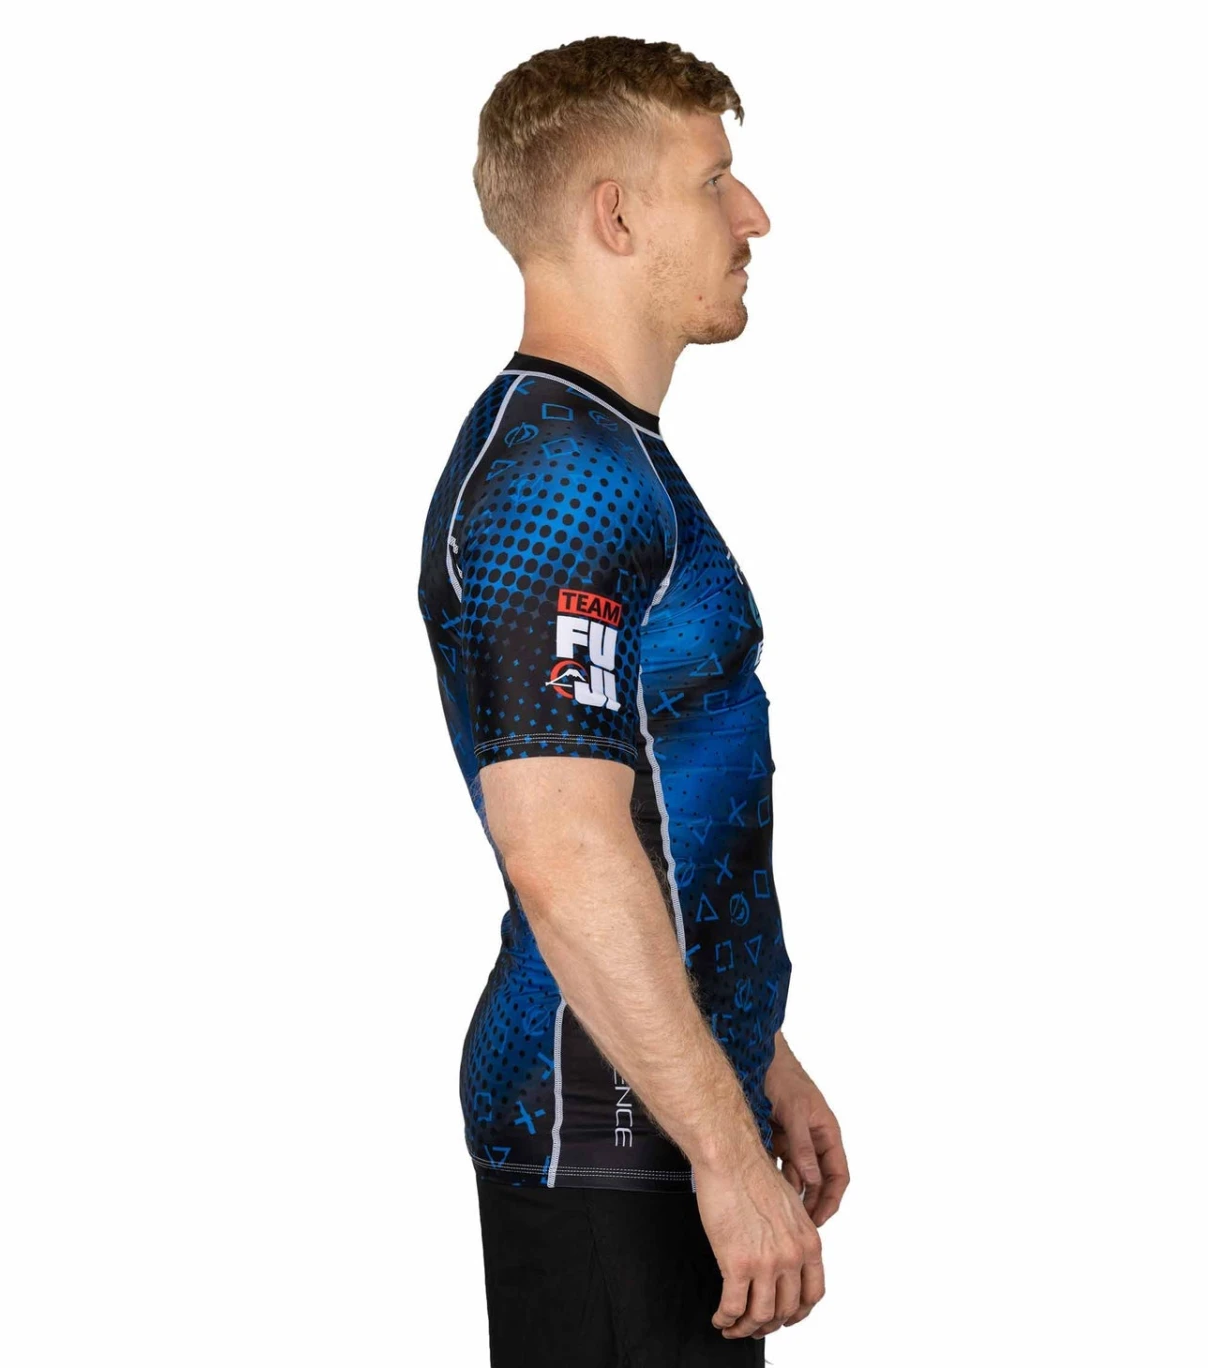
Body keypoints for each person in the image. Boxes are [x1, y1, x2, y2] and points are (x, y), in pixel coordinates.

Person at [415, 35, 850, 1366]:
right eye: (714, 180)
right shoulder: (555, 479)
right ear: (615, 215)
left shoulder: (609, 454)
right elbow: (564, 849)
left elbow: (662, 798)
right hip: (601, 1126)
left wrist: (756, 1054)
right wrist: (721, 1151)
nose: (752, 214)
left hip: (655, 1109)